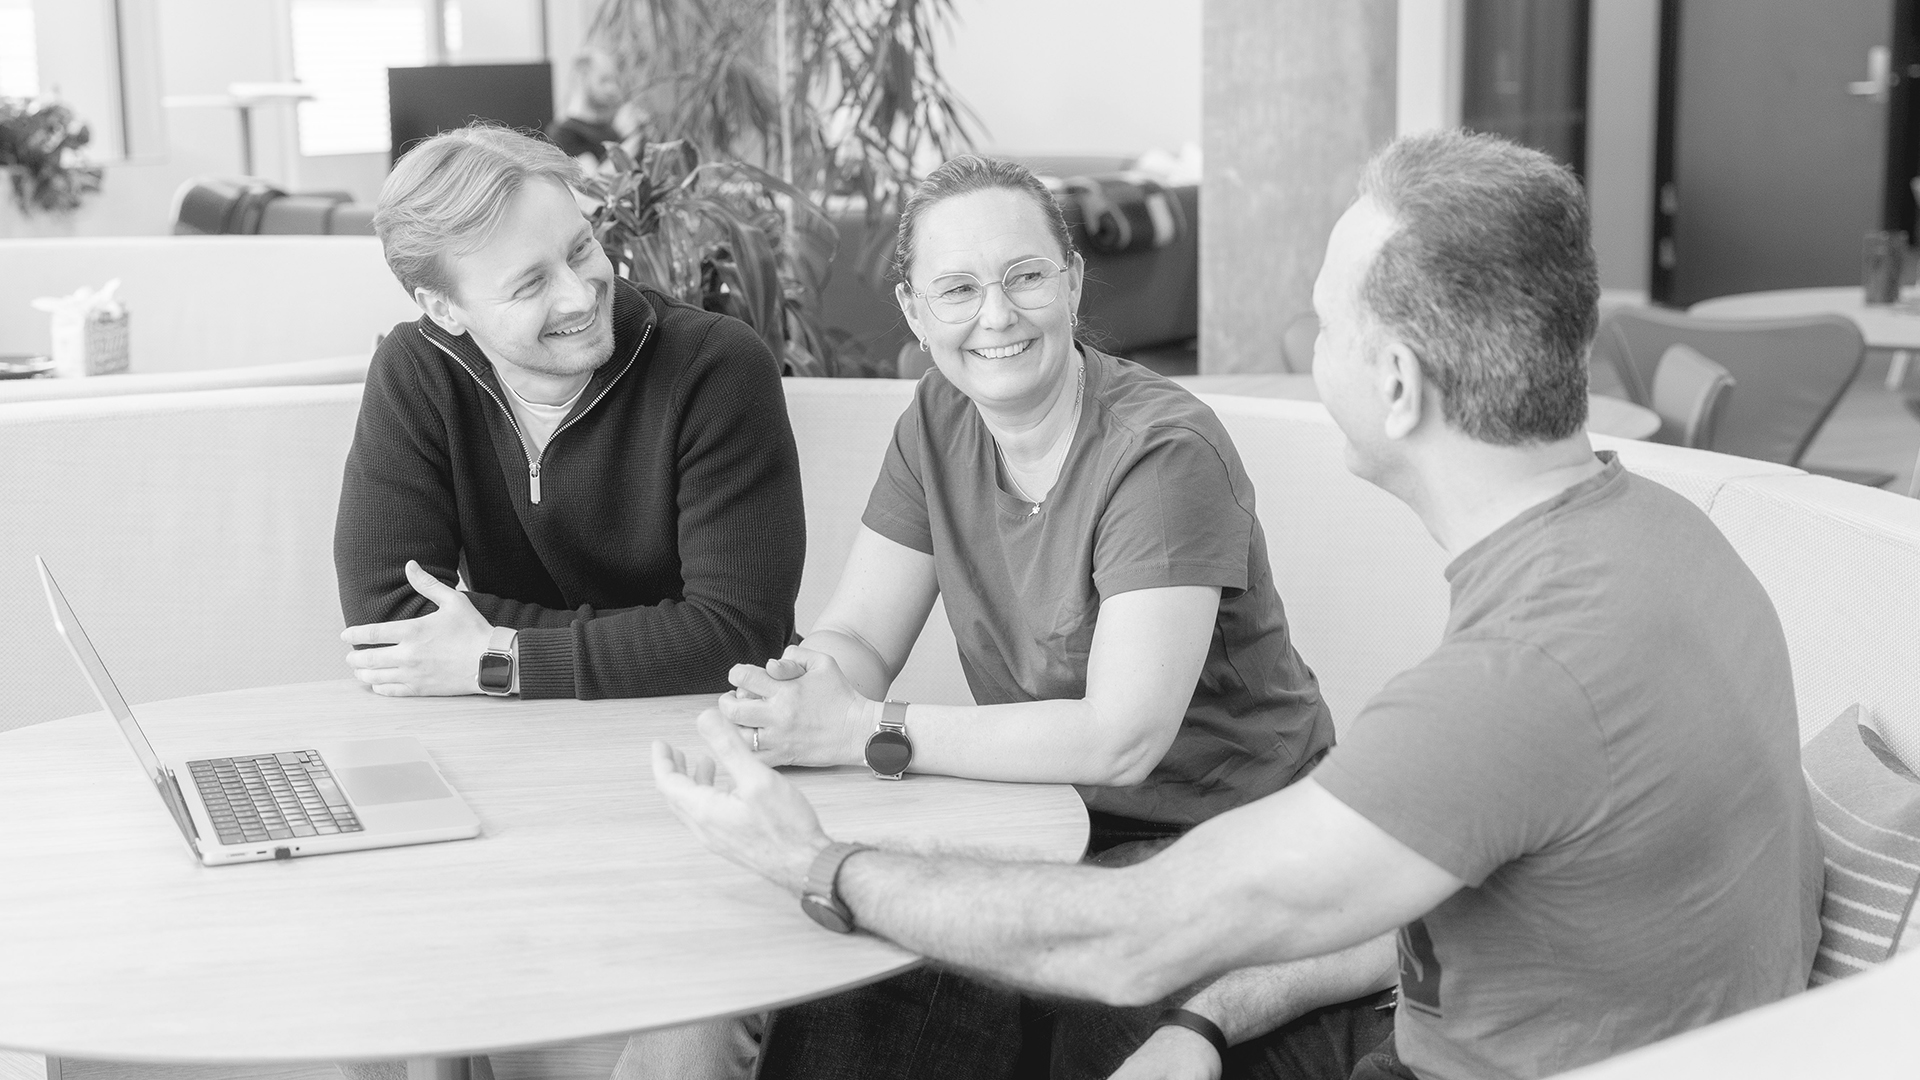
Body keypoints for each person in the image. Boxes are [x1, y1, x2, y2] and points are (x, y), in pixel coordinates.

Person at [653, 130, 1824, 1080]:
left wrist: (824, 864)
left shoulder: (1509, 682)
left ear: (1395, 383)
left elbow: (1137, 935)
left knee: (894, 970)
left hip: (1368, 1018)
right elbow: (1405, 888)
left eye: (1323, 325)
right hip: (1415, 1010)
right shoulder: (1662, 542)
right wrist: (1206, 1025)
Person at [705, 153, 1346, 1077]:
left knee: (1065, 1008)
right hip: (1039, 822)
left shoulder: (1161, 452)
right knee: (858, 967)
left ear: (1073, 282)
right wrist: (800, 692)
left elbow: (1122, 739)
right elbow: (863, 634)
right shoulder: (938, 416)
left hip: (1213, 837)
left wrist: (862, 730)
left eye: (1026, 276)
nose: (997, 315)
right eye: (958, 289)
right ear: (916, 313)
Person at [334, 124, 804, 702]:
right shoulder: (417, 371)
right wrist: (659, 639)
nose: (581, 296)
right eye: (530, 284)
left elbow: (738, 634)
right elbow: (389, 623)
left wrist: (500, 656)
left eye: (580, 249)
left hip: (697, 720)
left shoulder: (714, 366)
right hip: (499, 735)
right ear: (445, 309)